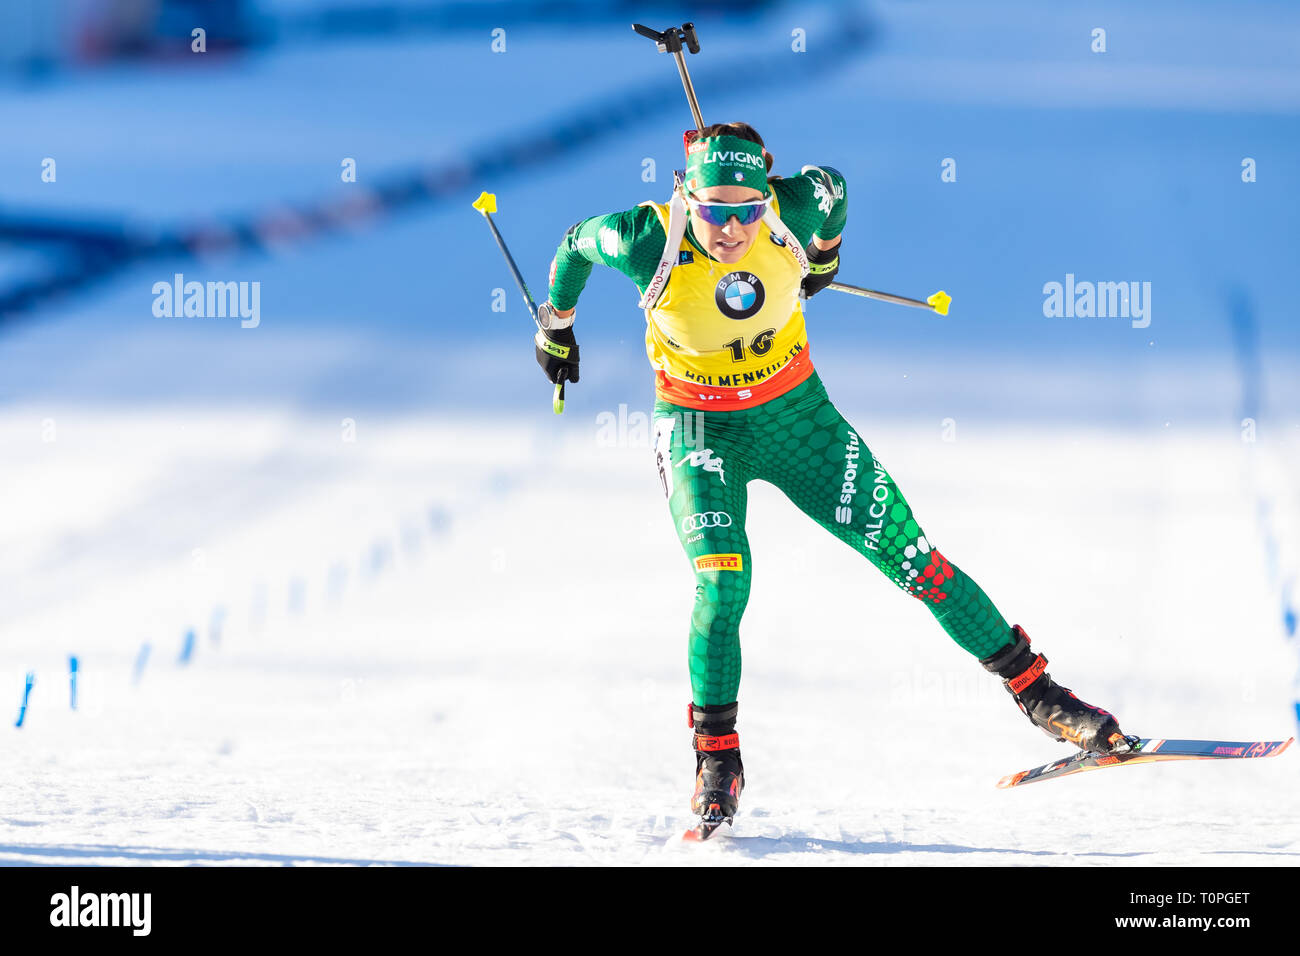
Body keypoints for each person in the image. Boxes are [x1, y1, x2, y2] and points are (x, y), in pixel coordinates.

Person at [534, 122, 1129, 830]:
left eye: (747, 211)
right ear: (683, 194)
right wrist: (557, 325)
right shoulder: (644, 239)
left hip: (797, 420)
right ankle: (717, 757)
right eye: (715, 210)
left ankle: (1043, 698)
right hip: (698, 429)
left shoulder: (794, 208)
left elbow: (837, 189)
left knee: (917, 563)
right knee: (723, 580)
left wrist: (824, 255)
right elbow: (574, 242)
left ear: (768, 198)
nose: (731, 229)